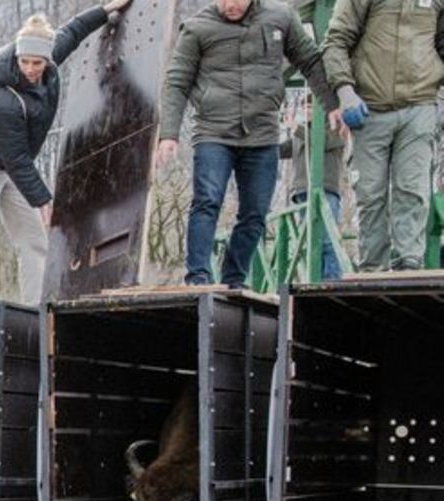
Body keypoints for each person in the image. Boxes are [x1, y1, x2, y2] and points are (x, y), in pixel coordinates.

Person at [0, 1, 133, 304]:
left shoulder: (48, 59)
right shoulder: (2, 100)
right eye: (25, 63)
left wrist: (106, 8)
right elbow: (17, 160)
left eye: (37, 63)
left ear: (47, 59)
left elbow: (73, 31)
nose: (31, 69)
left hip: (14, 167)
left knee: (34, 240)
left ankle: (36, 304)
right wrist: (44, 200)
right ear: (17, 58)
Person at [156, 0, 339, 290]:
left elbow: (310, 61)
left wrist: (332, 105)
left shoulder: (280, 18)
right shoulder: (197, 28)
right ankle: (198, 276)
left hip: (262, 133)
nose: (230, 5)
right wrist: (169, 134)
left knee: (255, 213)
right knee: (207, 200)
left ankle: (233, 278)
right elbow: (177, 82)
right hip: (214, 131)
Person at [322, 0, 444, 273]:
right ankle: (372, 266)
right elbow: (336, 41)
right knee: (369, 192)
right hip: (369, 107)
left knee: (412, 189)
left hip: (420, 103)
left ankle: (409, 263)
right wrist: (344, 90)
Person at [278, 117, 346, 280]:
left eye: (310, 106)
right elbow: (280, 150)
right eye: (305, 107)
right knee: (309, 240)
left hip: (325, 188)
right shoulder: (300, 134)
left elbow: (321, 142)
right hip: (302, 191)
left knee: (328, 239)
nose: (307, 111)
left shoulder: (334, 128)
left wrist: (297, 128)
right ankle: (313, 278)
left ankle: (332, 278)